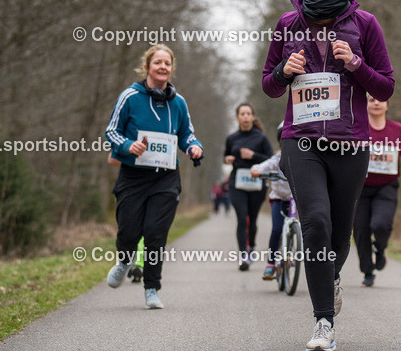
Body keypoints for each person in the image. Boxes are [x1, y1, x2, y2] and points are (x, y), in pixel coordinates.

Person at [262, 0, 394, 351]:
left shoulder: (365, 24)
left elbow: (386, 85)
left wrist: (355, 64)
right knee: (315, 221)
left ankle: (331, 278)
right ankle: (323, 322)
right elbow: (268, 85)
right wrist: (285, 69)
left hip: (350, 142)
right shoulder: (287, 24)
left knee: (338, 233)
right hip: (300, 140)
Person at [103, 44, 204, 309]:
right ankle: (125, 260)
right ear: (147, 66)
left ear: (171, 69)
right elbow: (112, 131)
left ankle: (151, 289)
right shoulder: (130, 96)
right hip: (133, 177)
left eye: (167, 63)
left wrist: (194, 147)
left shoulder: (178, 102)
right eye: (157, 62)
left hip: (165, 177)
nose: (162, 67)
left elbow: (187, 134)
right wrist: (127, 146)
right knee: (129, 232)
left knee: (155, 233)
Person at [354, 95, 401, 287]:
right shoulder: (357, 127)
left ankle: (380, 249)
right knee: (361, 230)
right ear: (366, 104)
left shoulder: (398, 129)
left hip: (387, 187)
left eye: (380, 100)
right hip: (359, 188)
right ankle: (368, 271)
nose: (376, 103)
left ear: (387, 105)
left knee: (381, 225)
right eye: (371, 100)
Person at [223, 103, 274, 271]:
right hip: (237, 181)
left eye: (248, 113)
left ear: (252, 117)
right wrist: (228, 159)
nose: (245, 116)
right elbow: (226, 156)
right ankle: (243, 255)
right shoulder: (232, 138)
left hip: (257, 182)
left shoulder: (261, 138)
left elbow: (270, 158)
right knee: (241, 217)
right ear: (237, 117)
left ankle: (251, 246)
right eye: (242, 114)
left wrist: (253, 155)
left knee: (252, 219)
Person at [250, 123, 290, 281]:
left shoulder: (304, 156)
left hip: (297, 199)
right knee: (277, 229)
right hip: (279, 199)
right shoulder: (279, 157)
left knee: (308, 230)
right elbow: (267, 165)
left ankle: (302, 256)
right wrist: (257, 169)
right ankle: (271, 263)